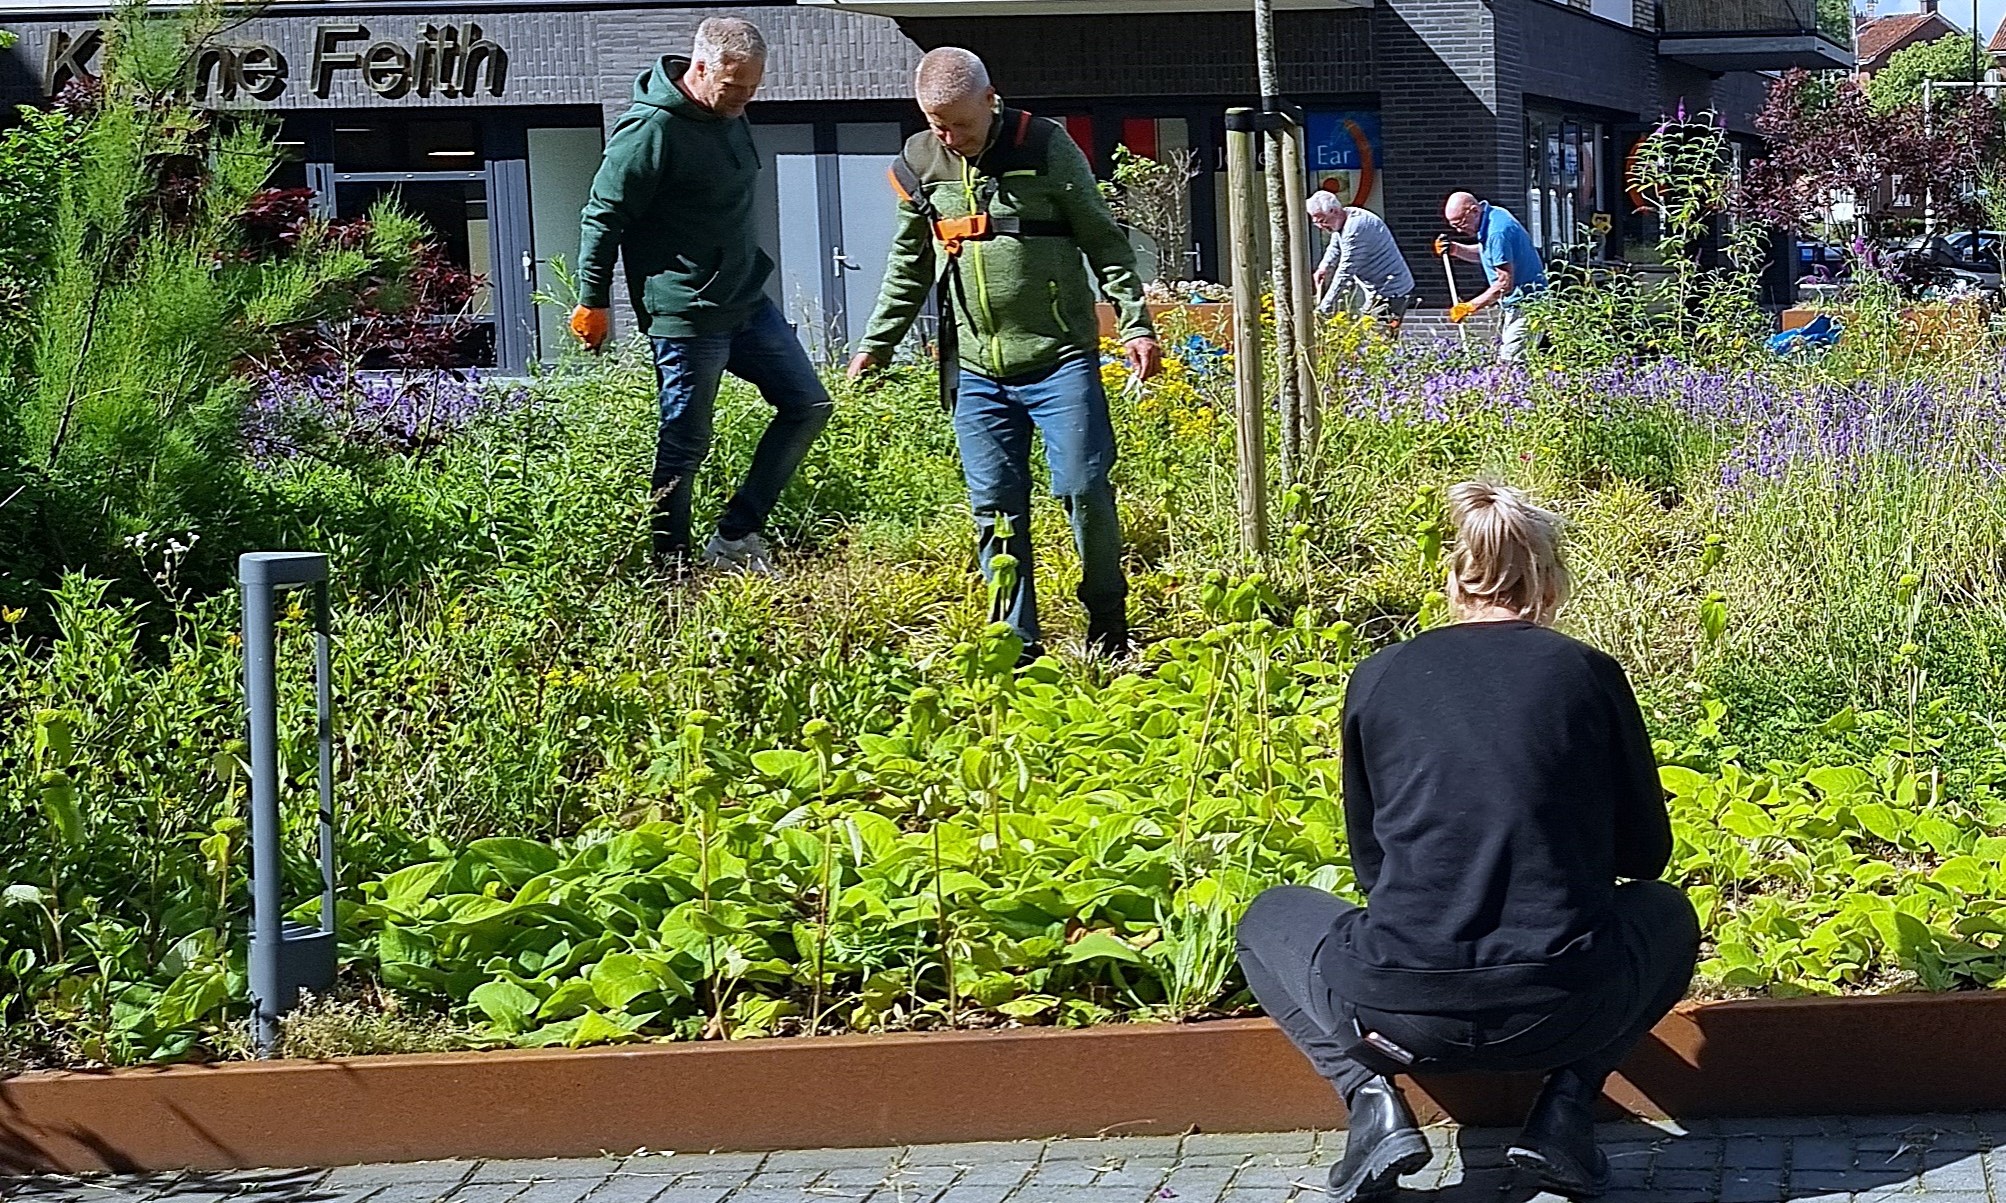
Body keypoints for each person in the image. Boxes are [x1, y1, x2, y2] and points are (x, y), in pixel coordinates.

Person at [1235, 480, 1698, 1203]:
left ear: (1453, 579)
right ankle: (1566, 1108)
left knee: (1268, 917)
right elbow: (1645, 856)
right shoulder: (1586, 673)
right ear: (1549, 584)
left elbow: (1372, 863)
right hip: (1564, 1006)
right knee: (1667, 913)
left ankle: (1371, 1102)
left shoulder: (1380, 675)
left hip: (1397, 1011)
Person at [847, 47, 1159, 659]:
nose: (949, 136)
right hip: (974, 370)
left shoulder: (1044, 146)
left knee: (1084, 488)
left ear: (991, 101)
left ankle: (1108, 624)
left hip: (1060, 358)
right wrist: (875, 346)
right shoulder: (919, 163)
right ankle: (1015, 645)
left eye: (961, 123)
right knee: (995, 505)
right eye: (937, 123)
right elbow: (908, 267)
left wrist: (1134, 324)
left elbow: (1103, 240)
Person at [571, 17, 833, 577]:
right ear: (699, 69)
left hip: (745, 301)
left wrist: (736, 101)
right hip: (687, 314)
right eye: (734, 86)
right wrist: (594, 299)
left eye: (753, 88)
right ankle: (670, 573)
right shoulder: (649, 133)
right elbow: (602, 217)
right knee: (684, 444)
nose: (743, 99)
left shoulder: (730, 114)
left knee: (808, 404)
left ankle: (736, 535)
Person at [1437, 191, 1548, 363]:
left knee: (1512, 361)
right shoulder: (1493, 216)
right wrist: (1456, 249)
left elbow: (1504, 284)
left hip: (1528, 305)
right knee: (1516, 357)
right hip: (1516, 305)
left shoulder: (1497, 232)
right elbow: (1488, 255)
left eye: (1461, 224)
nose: (1459, 230)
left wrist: (1469, 307)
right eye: (1454, 226)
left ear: (1473, 210)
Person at [1308, 192, 1415, 334]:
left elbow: (1346, 271)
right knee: (1370, 336)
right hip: (1377, 291)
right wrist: (1323, 267)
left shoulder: (1356, 228)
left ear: (1333, 211)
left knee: (1378, 341)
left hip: (1391, 291)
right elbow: (1335, 245)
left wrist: (1325, 306)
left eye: (1322, 220)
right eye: (1316, 223)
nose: (1321, 226)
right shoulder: (1344, 220)